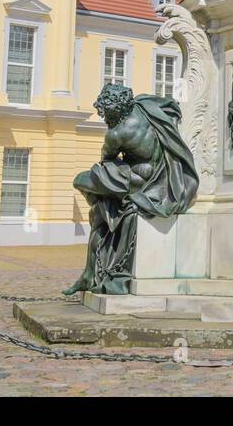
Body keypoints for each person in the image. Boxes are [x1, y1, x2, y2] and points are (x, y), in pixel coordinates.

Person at [63, 83, 199, 296]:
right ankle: (89, 271)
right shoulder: (146, 105)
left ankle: (90, 271)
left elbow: (105, 161)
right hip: (167, 177)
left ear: (112, 111)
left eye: (104, 113)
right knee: (100, 212)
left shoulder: (116, 133)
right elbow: (172, 106)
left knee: (82, 182)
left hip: (141, 182)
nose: (104, 118)